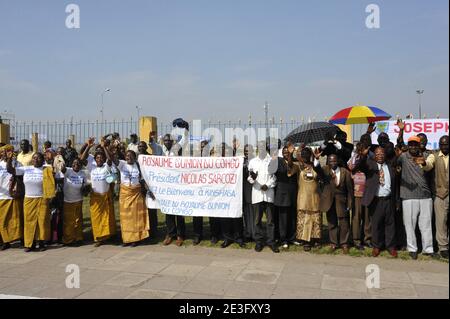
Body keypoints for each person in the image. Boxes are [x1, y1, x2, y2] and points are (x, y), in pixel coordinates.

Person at [397, 136, 437, 259]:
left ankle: (428, 249)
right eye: (411, 144)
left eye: (415, 144)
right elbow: (395, 161)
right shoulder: (403, 156)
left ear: (420, 145)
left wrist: (423, 162)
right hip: (408, 196)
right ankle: (412, 248)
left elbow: (429, 166)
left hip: (425, 196)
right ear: (408, 145)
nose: (413, 146)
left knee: (426, 225)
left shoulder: (427, 155)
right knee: (409, 224)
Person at [7, 152, 55, 252]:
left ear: (42, 160)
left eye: (38, 158)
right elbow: (10, 170)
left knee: (42, 222)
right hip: (28, 199)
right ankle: (30, 244)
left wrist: (51, 159)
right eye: (34, 158)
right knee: (29, 222)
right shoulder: (26, 169)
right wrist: (9, 159)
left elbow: (55, 169)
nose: (36, 160)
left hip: (42, 199)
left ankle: (41, 243)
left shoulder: (47, 169)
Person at [355, 147, 397, 257]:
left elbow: (395, 184)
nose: (380, 155)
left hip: (388, 199)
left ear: (385, 155)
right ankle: (376, 246)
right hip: (376, 200)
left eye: (382, 153)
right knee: (376, 224)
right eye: (377, 154)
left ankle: (390, 246)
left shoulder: (390, 166)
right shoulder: (370, 165)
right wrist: (363, 156)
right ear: (374, 155)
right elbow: (359, 166)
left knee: (390, 224)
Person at [108, 149, 150, 247]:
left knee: (136, 217)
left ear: (135, 158)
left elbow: (143, 180)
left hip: (136, 194)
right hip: (125, 194)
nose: (129, 157)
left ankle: (136, 239)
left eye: (131, 156)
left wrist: (148, 190)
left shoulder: (138, 167)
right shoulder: (122, 164)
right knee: (125, 218)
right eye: (127, 155)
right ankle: (127, 239)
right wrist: (109, 149)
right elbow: (113, 159)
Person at [80, 138, 117, 247]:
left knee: (107, 218)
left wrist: (104, 146)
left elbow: (109, 159)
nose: (99, 159)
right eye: (97, 158)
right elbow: (82, 159)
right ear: (95, 159)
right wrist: (88, 146)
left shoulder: (106, 166)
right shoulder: (92, 167)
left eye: (101, 158)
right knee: (96, 218)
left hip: (105, 196)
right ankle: (98, 238)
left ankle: (107, 236)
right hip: (95, 198)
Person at [154, 129, 188, 246]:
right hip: (166, 186)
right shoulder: (161, 152)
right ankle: (170, 234)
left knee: (178, 211)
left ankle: (180, 235)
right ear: (163, 142)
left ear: (173, 142)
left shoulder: (176, 150)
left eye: (169, 140)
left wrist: (185, 130)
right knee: (168, 211)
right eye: (165, 140)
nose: (167, 142)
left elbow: (184, 140)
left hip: (177, 186)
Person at [287, 147, 322, 251]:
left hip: (315, 197)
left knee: (315, 219)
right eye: (304, 153)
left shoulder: (315, 166)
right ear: (301, 156)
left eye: (308, 153)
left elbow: (321, 175)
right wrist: (290, 154)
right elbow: (289, 166)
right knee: (305, 219)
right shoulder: (299, 167)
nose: (306, 155)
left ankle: (315, 239)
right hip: (303, 197)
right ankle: (306, 241)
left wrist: (317, 160)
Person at [318, 154, 354, 254]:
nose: (332, 163)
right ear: (327, 162)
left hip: (342, 201)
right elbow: (318, 171)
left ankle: (344, 243)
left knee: (344, 223)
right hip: (329, 201)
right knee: (332, 223)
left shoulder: (345, 172)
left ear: (337, 161)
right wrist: (316, 160)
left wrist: (350, 202)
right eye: (330, 161)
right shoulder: (325, 170)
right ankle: (333, 243)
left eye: (334, 161)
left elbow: (350, 189)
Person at [248, 141, 278, 253]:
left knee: (270, 220)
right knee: (257, 220)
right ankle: (259, 242)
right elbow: (249, 178)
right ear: (257, 149)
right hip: (257, 194)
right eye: (259, 147)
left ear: (266, 149)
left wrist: (268, 185)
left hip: (269, 194)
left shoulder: (272, 161)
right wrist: (253, 178)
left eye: (263, 147)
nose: (261, 149)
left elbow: (274, 177)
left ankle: (271, 242)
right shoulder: (252, 162)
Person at [423, 135, 449, 259]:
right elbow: (428, 165)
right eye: (442, 144)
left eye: (446, 144)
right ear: (439, 145)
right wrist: (423, 163)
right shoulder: (434, 155)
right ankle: (443, 247)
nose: (444, 146)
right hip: (441, 194)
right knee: (441, 222)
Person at [348, 142, 372, 250]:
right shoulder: (354, 158)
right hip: (357, 192)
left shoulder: (370, 157)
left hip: (367, 191)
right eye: (360, 148)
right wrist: (361, 156)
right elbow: (352, 168)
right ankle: (356, 240)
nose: (363, 150)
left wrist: (365, 156)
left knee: (367, 217)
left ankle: (367, 239)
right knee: (356, 216)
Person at [274, 146, 298, 249]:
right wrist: (289, 157)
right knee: (283, 218)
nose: (286, 153)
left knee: (292, 217)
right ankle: (283, 239)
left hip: (293, 193)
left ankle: (292, 238)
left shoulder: (294, 162)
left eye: (287, 152)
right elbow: (285, 171)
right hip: (282, 194)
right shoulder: (278, 161)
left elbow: (293, 167)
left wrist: (292, 156)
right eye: (284, 152)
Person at [0, 145, 22, 250]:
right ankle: (5, 241)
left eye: (8, 151)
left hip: (12, 196)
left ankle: (15, 239)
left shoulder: (17, 163)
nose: (6, 153)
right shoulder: (0, 164)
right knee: (2, 221)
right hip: (1, 196)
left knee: (14, 220)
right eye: (4, 151)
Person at [61, 158, 87, 246]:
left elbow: (85, 185)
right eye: (74, 163)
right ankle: (68, 239)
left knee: (78, 221)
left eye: (78, 163)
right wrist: (62, 167)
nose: (76, 164)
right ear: (71, 164)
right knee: (68, 221)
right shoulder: (68, 171)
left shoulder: (82, 174)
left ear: (81, 165)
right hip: (68, 200)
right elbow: (63, 170)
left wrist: (85, 188)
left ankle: (78, 238)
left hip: (78, 200)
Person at [138, 141, 159, 240]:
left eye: (142, 146)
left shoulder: (151, 158)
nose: (141, 148)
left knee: (151, 210)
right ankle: (144, 230)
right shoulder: (136, 158)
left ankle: (154, 231)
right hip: (139, 188)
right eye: (139, 146)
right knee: (141, 211)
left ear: (146, 147)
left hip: (150, 187)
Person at [242, 144, 255, 242]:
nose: (247, 152)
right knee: (246, 213)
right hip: (243, 189)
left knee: (253, 213)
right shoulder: (241, 161)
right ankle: (247, 233)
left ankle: (254, 233)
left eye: (248, 151)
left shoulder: (255, 161)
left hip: (253, 189)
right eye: (245, 151)